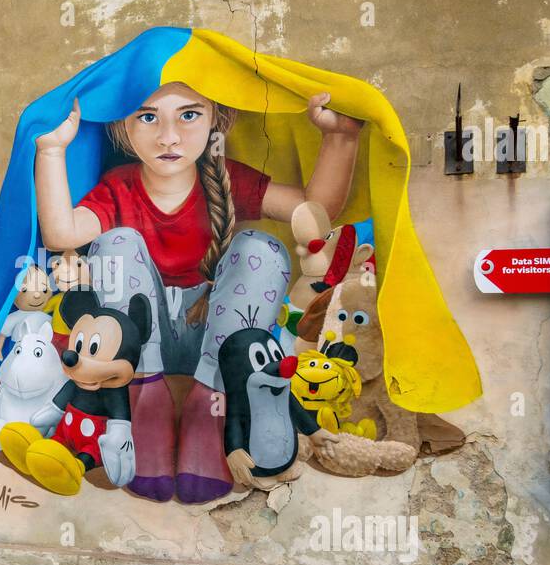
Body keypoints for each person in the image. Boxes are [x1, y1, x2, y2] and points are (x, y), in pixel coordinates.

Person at [33, 81, 363, 503]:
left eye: (188, 115)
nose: (168, 136)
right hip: (140, 345)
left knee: (262, 249)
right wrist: (51, 150)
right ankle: (146, 404)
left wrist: (340, 137)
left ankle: (206, 409)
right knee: (113, 244)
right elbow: (62, 233)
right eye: (147, 116)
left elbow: (315, 212)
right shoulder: (120, 187)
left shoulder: (224, 179)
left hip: (215, 340)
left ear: (216, 120)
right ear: (123, 128)